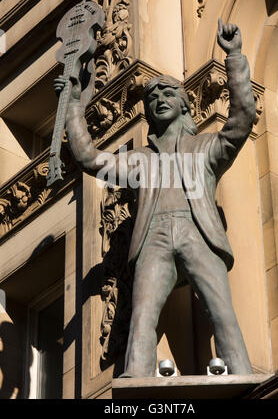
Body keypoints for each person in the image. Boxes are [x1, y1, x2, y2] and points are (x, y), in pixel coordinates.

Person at [54, 19, 255, 377]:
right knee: (142, 315)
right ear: (147, 111)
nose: (160, 100)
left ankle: (241, 371)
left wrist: (235, 57)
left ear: (183, 104)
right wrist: (71, 105)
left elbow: (242, 120)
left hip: (198, 234)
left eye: (167, 94)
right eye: (153, 98)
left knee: (221, 311)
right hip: (153, 239)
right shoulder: (140, 161)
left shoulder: (205, 147)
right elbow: (88, 158)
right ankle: (135, 378)